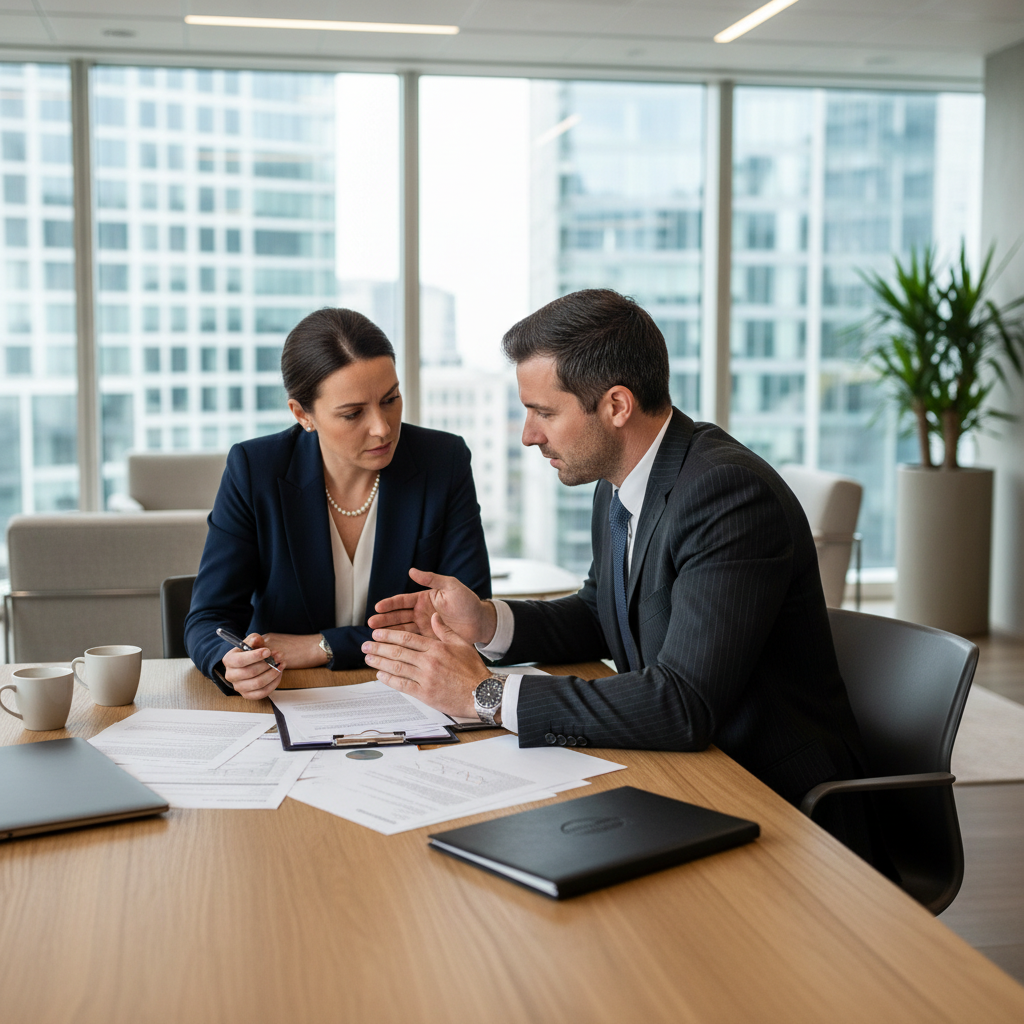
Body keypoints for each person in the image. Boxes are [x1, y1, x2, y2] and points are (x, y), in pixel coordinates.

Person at [363, 288, 876, 860]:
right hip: (683, 775)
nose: (529, 435)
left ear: (615, 406)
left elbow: (681, 705)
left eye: (544, 412)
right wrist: (486, 622)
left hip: (777, 805)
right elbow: (601, 611)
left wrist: (483, 693)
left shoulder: (728, 494)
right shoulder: (622, 478)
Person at [184, 307, 491, 699]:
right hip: (292, 698)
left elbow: (463, 620)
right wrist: (231, 662)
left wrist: (320, 645)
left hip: (413, 699)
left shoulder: (442, 461)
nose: (382, 427)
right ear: (302, 414)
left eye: (391, 399)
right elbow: (208, 619)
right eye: (352, 414)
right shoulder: (255, 470)